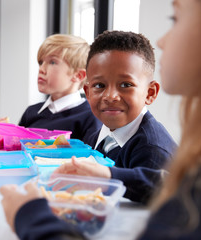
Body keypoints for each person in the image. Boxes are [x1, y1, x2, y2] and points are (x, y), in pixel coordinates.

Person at [0, 0, 201, 239]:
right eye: (99, 85)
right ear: (87, 90)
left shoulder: (160, 151)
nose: (162, 41)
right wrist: (109, 176)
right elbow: (168, 184)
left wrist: (31, 217)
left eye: (175, 19)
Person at [54, 31, 176, 204]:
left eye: (126, 85)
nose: (111, 96)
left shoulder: (152, 150)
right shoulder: (96, 137)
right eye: (99, 85)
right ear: (87, 93)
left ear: (150, 93)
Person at [18, 34, 102, 141]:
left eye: (52, 62)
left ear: (78, 75)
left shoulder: (91, 117)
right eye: (41, 62)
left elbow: (89, 157)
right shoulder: (31, 112)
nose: (41, 69)